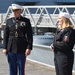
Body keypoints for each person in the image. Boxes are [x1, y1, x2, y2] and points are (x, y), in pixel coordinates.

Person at [3, 4, 33, 75]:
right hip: (11, 48)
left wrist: (29, 48)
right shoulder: (9, 21)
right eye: (14, 11)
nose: (14, 13)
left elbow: (29, 36)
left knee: (21, 68)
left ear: (20, 11)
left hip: (21, 48)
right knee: (12, 68)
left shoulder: (26, 21)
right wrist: (4, 48)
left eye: (16, 11)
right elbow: (6, 35)